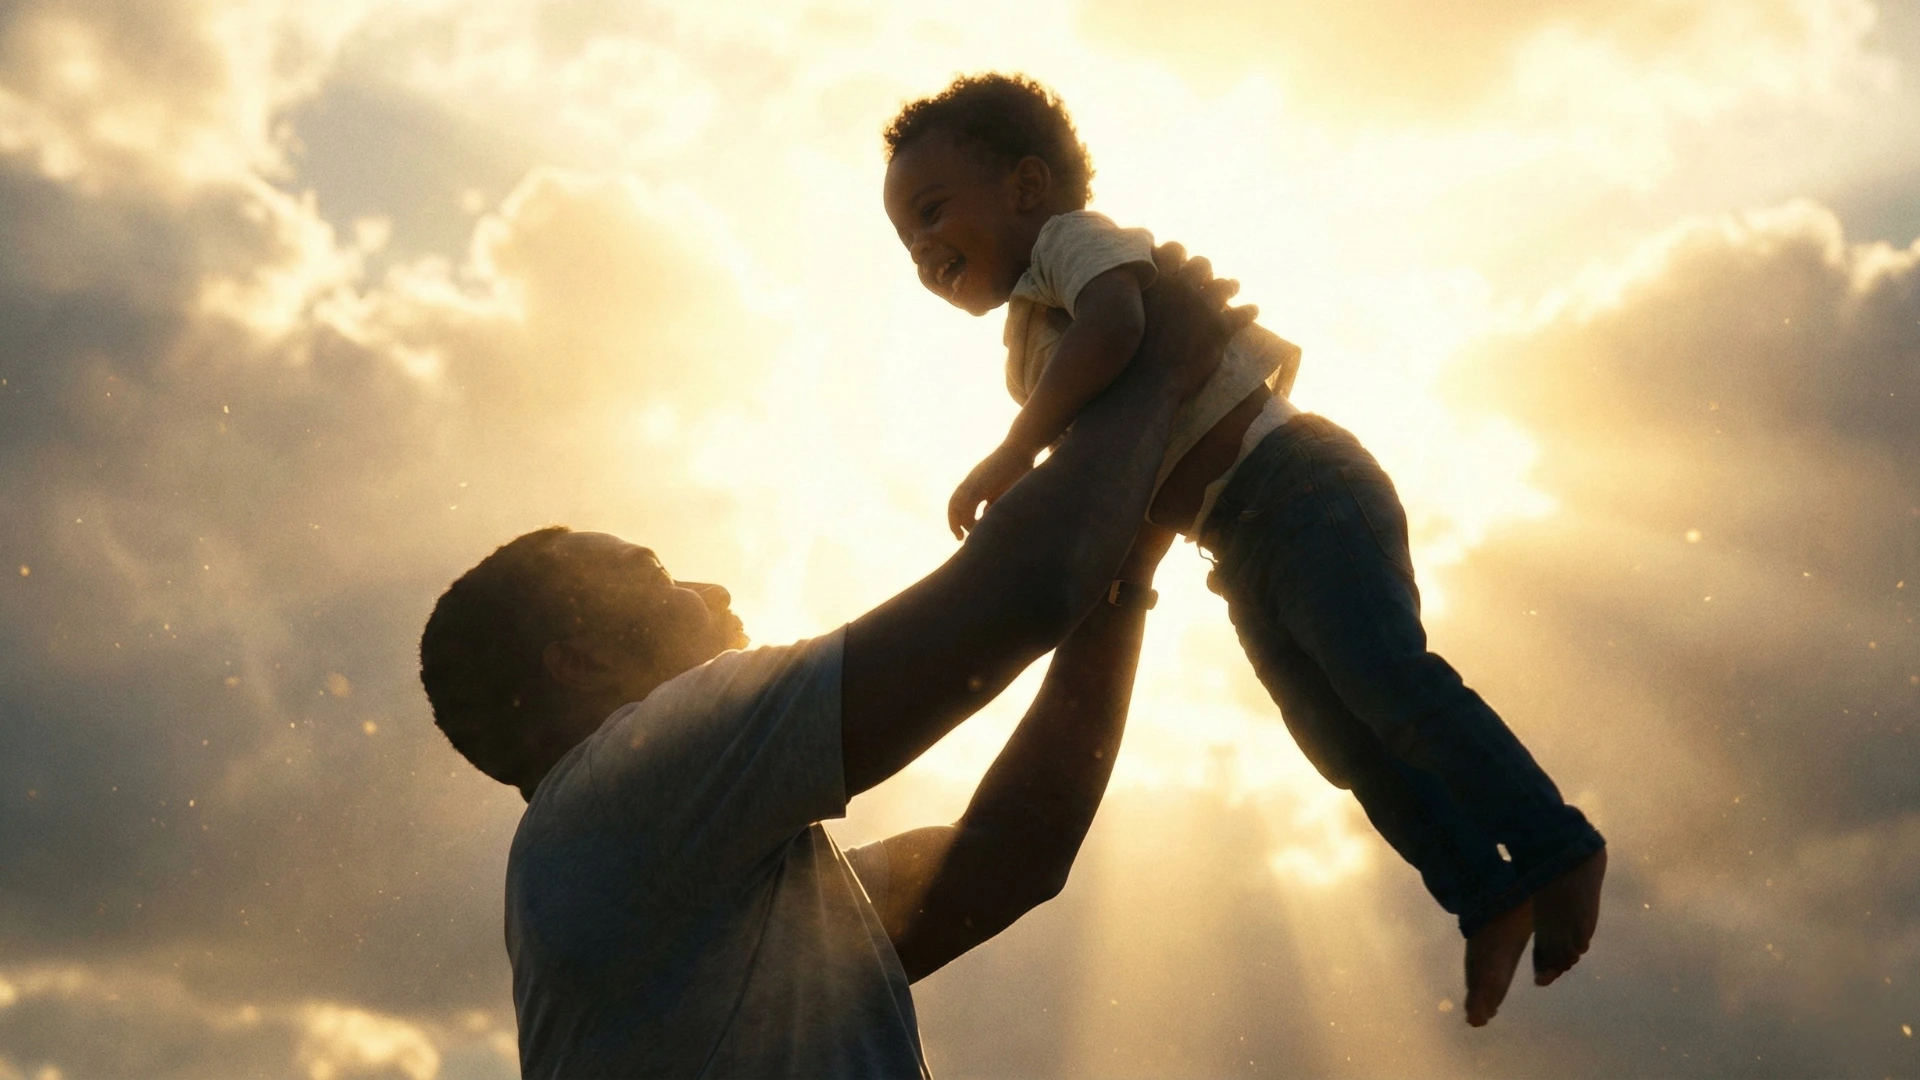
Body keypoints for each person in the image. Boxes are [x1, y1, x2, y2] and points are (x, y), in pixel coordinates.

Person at [879, 72, 1607, 1027]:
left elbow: (1122, 328)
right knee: (1338, 738)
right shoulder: (1022, 347)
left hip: (1299, 489)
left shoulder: (1075, 246)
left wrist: (1018, 452)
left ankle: (1555, 846)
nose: (924, 247)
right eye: (907, 239)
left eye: (934, 212)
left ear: (1024, 186)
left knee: (1390, 685)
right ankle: (1483, 891)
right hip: (1239, 547)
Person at [417, 248, 1239, 1077]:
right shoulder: (632, 780)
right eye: (658, 576)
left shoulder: (660, 870)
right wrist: (1162, 370)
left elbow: (1009, 854)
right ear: (581, 662)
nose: (712, 586)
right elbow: (1025, 589)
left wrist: (1127, 570)